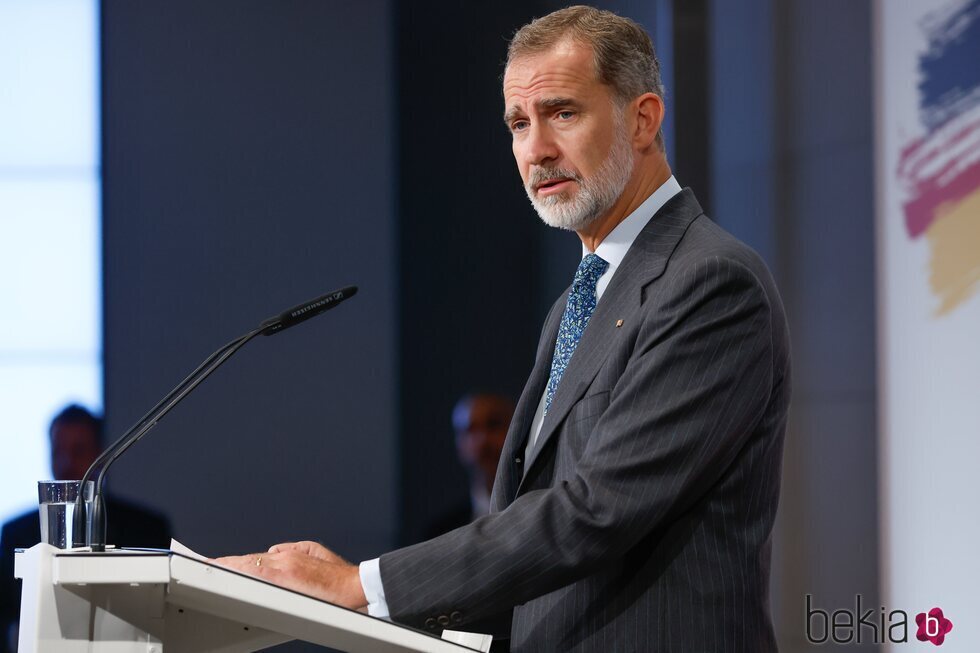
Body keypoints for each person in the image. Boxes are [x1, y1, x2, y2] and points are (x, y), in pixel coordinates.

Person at [218, 6, 791, 651]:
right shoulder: (586, 294)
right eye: (520, 123)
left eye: (563, 113)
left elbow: (595, 510)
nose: (536, 149)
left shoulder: (711, 283)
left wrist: (362, 585)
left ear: (643, 119)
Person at [0, 405, 172, 653]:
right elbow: (5, 617)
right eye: (58, 450)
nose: (66, 461)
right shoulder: (16, 532)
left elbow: (161, 612)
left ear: (100, 454)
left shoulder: (146, 527)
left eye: (78, 450)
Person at [424, 393, 515, 540]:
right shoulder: (440, 534)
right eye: (470, 429)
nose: (483, 440)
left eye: (493, 425)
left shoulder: (538, 515)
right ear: (459, 446)